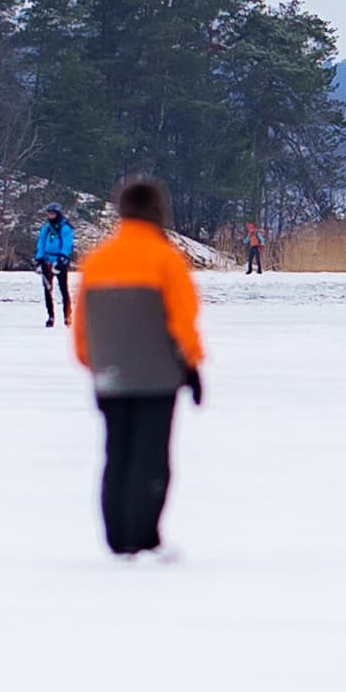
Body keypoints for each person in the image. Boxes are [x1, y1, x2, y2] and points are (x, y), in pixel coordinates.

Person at [73, 173, 205, 556]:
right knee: (151, 457)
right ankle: (143, 536)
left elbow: (81, 325)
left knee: (117, 454)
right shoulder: (165, 260)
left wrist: (95, 365)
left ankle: (116, 537)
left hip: (110, 374)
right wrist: (192, 366)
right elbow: (183, 319)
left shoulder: (97, 260)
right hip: (157, 376)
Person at [35, 203, 78, 326]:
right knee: (47, 290)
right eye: (48, 213)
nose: (50, 215)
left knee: (63, 289)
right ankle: (51, 316)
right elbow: (41, 243)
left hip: (59, 262)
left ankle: (67, 315)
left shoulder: (65, 228)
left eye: (52, 213)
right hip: (47, 261)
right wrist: (39, 258)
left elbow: (67, 244)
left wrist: (62, 258)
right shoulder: (46, 228)